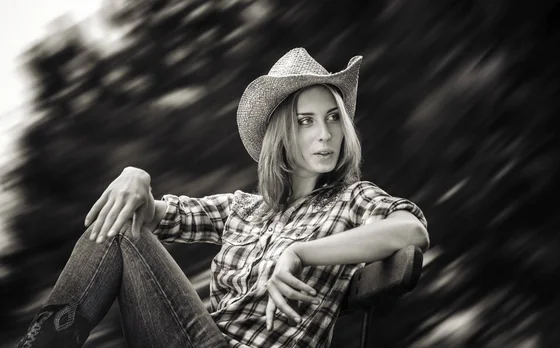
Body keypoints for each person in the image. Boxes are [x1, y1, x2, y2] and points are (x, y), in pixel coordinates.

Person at [16, 47, 430, 348]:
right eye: (306, 122)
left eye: (333, 118)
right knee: (121, 222)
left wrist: (302, 252)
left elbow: (410, 229)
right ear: (282, 135)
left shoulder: (350, 199)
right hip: (202, 339)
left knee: (123, 228)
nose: (325, 134)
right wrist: (134, 175)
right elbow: (154, 214)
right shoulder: (243, 210)